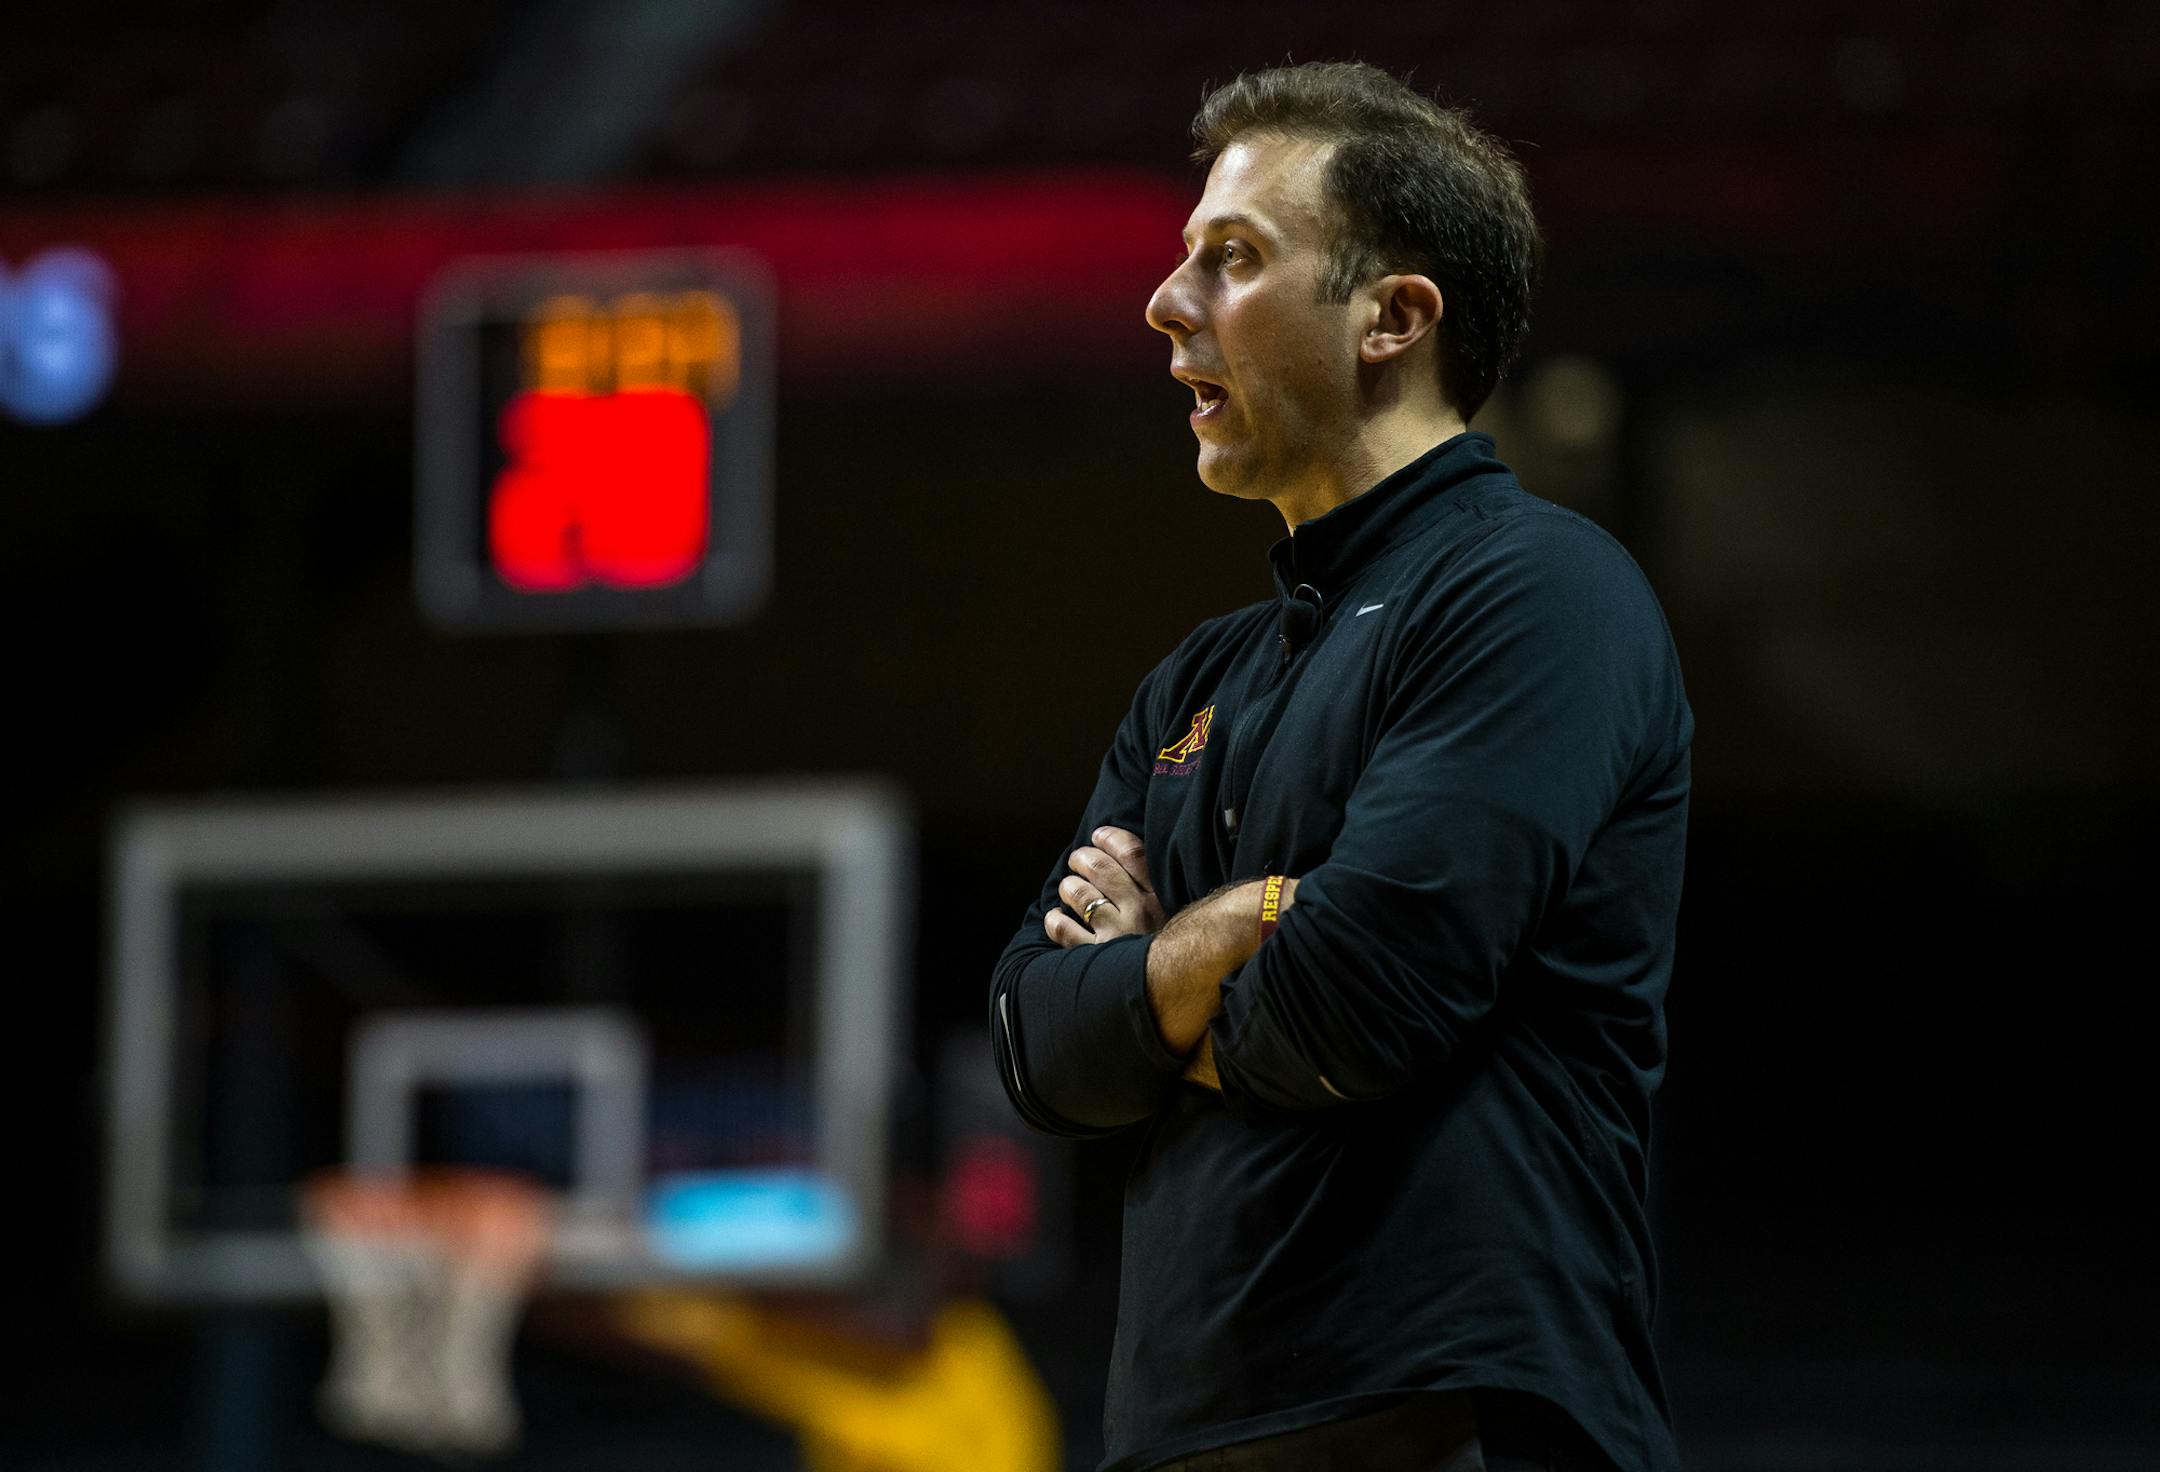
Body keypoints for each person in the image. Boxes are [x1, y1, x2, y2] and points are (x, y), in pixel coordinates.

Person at [989, 61, 1691, 1472]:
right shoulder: (1195, 679)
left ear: (1394, 318)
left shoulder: (1538, 591)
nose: (1166, 301)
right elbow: (1037, 1048)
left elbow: (1357, 1001)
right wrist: (1237, 932)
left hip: (1451, 1418)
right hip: (1184, 1436)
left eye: (1234, 258)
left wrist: (1146, 986)